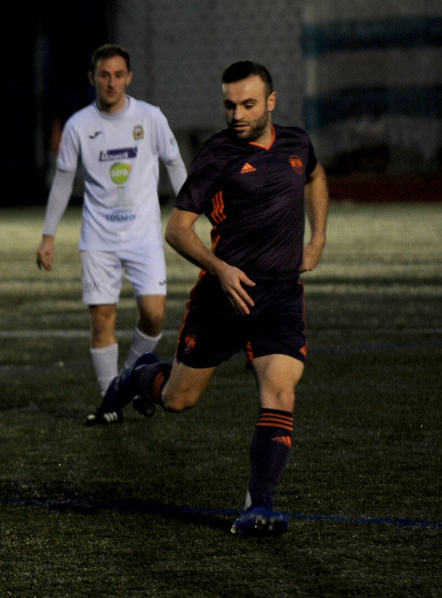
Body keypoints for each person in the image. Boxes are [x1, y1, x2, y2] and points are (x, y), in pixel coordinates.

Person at [90, 61, 329, 537]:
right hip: (222, 298)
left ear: (271, 103)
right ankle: (140, 373)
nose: (237, 114)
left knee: (280, 391)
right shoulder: (218, 154)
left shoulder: (297, 143)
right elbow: (177, 230)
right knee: (178, 400)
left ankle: (259, 505)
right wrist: (220, 269)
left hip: (279, 294)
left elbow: (316, 178)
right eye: (229, 104)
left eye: (248, 104)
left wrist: (317, 238)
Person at [36, 43, 187, 423]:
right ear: (93, 79)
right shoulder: (78, 126)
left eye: (118, 75)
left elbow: (175, 162)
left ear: (129, 78)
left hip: (144, 237)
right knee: (101, 318)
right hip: (99, 239)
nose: (111, 82)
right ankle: (109, 402)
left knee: (153, 315)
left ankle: (129, 378)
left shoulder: (150, 118)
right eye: (104, 75)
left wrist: (189, 210)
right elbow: (63, 182)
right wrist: (48, 235)